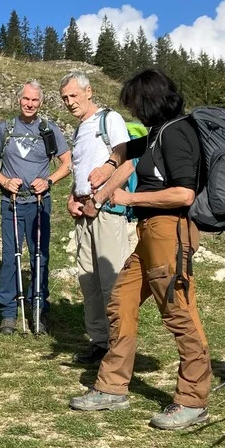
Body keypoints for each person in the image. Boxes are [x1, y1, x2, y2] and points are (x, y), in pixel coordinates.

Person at [70, 68, 211, 430]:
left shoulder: (179, 133)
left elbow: (184, 193)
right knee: (121, 301)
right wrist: (108, 166)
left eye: (135, 104)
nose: (133, 111)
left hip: (170, 231)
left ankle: (193, 400)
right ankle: (113, 387)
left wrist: (130, 196)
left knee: (178, 312)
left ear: (149, 101)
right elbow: (126, 151)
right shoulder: (155, 134)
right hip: (148, 232)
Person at [59, 71, 137, 364]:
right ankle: (100, 343)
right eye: (65, 98)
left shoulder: (110, 119)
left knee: (111, 282)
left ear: (88, 91)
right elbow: (80, 170)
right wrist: (72, 198)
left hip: (107, 212)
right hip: (84, 214)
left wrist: (99, 199)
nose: (69, 102)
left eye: (73, 96)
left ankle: (119, 346)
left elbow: (126, 161)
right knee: (88, 281)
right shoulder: (80, 130)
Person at [0, 81, 70, 335]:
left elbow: (66, 163)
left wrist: (49, 180)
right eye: (26, 99)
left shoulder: (48, 130)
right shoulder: (5, 129)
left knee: (39, 255)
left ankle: (39, 308)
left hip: (39, 203)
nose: (30, 104)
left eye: (35, 100)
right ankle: (8, 313)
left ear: (41, 103)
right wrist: (5, 181)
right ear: (19, 100)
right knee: (11, 257)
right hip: (10, 202)